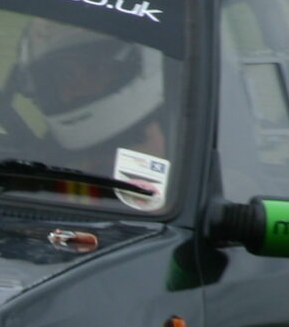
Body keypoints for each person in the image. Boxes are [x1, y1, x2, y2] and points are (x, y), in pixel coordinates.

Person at [10, 18, 174, 207]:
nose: (76, 89)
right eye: (65, 75)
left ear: (126, 70)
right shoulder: (51, 158)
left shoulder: (174, 144)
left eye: (95, 69)